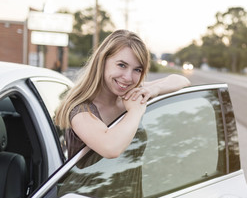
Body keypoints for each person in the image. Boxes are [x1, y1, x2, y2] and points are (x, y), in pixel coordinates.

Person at [55, 29, 190, 160]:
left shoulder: (131, 94)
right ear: (102, 61)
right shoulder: (81, 110)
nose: (128, 78)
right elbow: (111, 148)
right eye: (122, 65)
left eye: (137, 69)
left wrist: (156, 88)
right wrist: (135, 111)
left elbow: (182, 80)